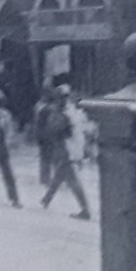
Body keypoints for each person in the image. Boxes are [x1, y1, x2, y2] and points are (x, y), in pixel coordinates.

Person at [40, 84, 91, 219]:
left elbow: (54, 129)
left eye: (60, 98)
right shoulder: (74, 111)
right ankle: (46, 199)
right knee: (60, 175)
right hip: (72, 148)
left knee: (72, 180)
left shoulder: (64, 114)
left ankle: (85, 209)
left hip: (67, 149)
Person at [32, 77, 57, 186]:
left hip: (43, 134)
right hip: (45, 134)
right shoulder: (44, 107)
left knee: (45, 156)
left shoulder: (40, 105)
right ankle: (46, 178)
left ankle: (45, 177)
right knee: (47, 156)